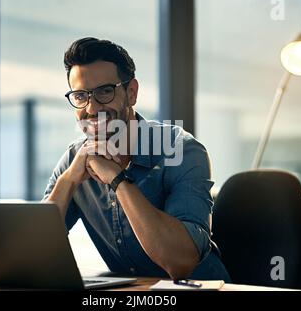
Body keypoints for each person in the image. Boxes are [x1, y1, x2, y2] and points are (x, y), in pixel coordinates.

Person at [43, 37, 230, 281]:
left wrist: (117, 179)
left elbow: (180, 263)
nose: (91, 108)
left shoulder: (180, 150)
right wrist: (68, 180)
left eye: (105, 92)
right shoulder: (75, 160)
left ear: (131, 92)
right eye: (80, 96)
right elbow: (31, 253)